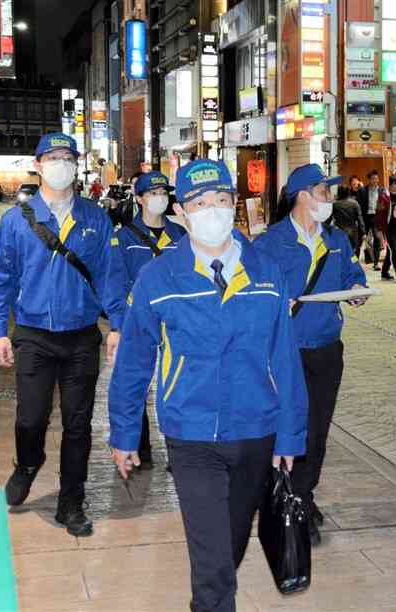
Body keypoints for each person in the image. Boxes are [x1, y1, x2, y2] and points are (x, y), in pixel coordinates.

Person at [109, 159, 307, 612]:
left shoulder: (266, 271)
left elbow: (286, 358)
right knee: (215, 564)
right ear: (181, 211)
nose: (211, 210)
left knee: (229, 547)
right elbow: (135, 361)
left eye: (220, 200)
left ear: (234, 205)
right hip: (191, 434)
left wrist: (290, 434)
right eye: (200, 203)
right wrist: (123, 433)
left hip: (257, 430)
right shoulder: (159, 277)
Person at [0, 132, 119, 537]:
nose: (61, 164)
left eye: (67, 157)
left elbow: (110, 276)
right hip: (33, 335)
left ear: (76, 165)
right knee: (31, 417)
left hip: (80, 337)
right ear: (38, 165)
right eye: (53, 157)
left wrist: (118, 324)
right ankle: (27, 462)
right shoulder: (17, 221)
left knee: (78, 425)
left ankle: (71, 502)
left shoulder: (95, 218)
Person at [254, 163, 368, 546]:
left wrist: (356, 289)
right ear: (303, 195)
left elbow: (354, 275)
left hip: (326, 350)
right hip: (287, 353)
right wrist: (273, 303)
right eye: (324, 191)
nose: (329, 199)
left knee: (317, 431)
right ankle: (291, 498)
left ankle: (304, 494)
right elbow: (253, 290)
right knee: (290, 428)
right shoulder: (269, 244)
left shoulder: (337, 240)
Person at [104, 170, 186, 468]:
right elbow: (114, 282)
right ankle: (139, 447)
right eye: (152, 194)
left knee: (175, 381)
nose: (159, 198)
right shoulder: (123, 238)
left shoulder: (181, 235)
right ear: (139, 199)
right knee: (134, 381)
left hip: (176, 323)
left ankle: (180, 447)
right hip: (137, 323)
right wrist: (118, 325)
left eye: (163, 193)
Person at [361, 170, 385, 270]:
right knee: (360, 239)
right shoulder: (363, 190)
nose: (375, 180)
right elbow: (361, 205)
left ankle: (376, 263)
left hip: (376, 217)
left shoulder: (381, 190)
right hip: (366, 217)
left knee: (377, 238)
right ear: (369, 180)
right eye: (373, 179)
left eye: (376, 178)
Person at [333, 186, 366, 252]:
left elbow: (329, 219)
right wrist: (363, 232)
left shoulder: (334, 204)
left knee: (341, 251)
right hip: (352, 231)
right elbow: (360, 219)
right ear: (348, 193)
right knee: (354, 251)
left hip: (339, 231)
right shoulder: (354, 203)